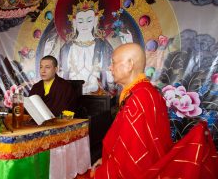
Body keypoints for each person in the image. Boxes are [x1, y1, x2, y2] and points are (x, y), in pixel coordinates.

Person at [90, 43, 218, 178]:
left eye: (113, 62)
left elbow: (131, 157)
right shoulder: (147, 92)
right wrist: (106, 160)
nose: (110, 67)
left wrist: (103, 172)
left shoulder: (138, 99)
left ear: (129, 65)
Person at [60, 0, 113, 94]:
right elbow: (62, 75)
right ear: (74, 22)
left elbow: (110, 77)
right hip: (72, 97)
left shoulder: (103, 46)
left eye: (89, 20)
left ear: (95, 21)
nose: (84, 25)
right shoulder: (67, 47)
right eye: (80, 21)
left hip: (98, 98)